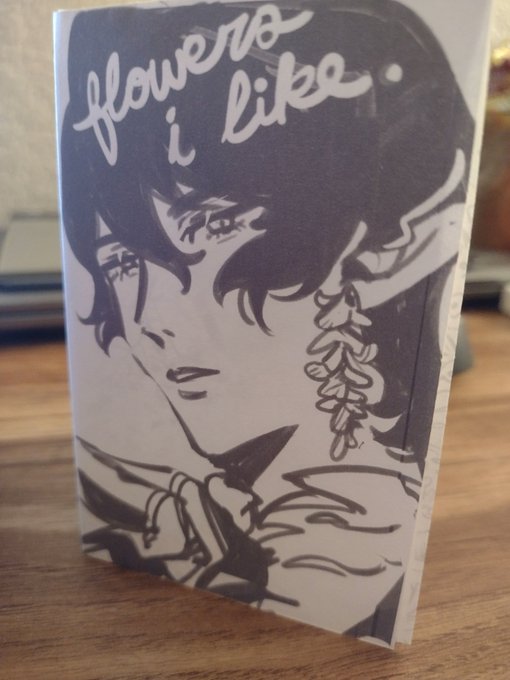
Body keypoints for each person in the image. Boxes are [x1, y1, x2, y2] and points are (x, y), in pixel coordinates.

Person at [59, 0, 474, 643]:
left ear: (370, 243)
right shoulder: (185, 492)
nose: (151, 320)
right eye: (124, 261)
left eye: (216, 227)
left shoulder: (350, 540)